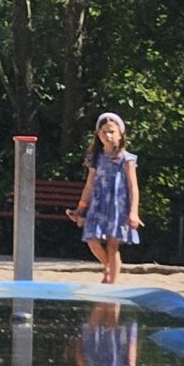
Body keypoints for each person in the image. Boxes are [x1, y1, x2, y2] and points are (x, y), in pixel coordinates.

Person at [74, 109, 141, 286]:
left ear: (121, 133)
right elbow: (89, 184)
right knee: (91, 239)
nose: (108, 135)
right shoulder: (95, 158)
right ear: (98, 134)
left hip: (117, 207)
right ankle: (109, 267)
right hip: (97, 204)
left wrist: (133, 213)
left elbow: (133, 187)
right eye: (104, 132)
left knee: (113, 245)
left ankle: (112, 281)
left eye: (112, 131)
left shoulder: (126, 159)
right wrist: (81, 207)